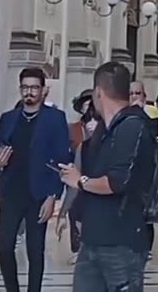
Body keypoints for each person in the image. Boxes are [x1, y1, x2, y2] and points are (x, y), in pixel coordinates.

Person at [61, 62, 155, 292]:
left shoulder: (133, 126)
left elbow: (116, 182)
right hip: (93, 238)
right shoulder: (103, 130)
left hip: (122, 242)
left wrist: (79, 181)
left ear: (98, 92)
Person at [0, 67, 69, 292]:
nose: (29, 92)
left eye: (34, 87)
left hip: (39, 192)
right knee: (4, 246)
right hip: (11, 191)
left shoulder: (55, 119)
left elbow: (61, 159)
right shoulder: (8, 119)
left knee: (35, 250)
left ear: (43, 90)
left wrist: (53, 196)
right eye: (25, 88)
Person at [58, 89, 99, 262]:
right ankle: (79, 248)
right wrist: (62, 213)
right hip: (78, 175)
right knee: (77, 209)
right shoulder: (73, 131)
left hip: (98, 186)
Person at [129, 80, 158, 256]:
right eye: (131, 94)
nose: (134, 97)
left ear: (144, 96)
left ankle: (146, 246)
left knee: (145, 212)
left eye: (138, 93)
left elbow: (156, 135)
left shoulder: (151, 112)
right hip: (126, 171)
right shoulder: (121, 113)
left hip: (146, 171)